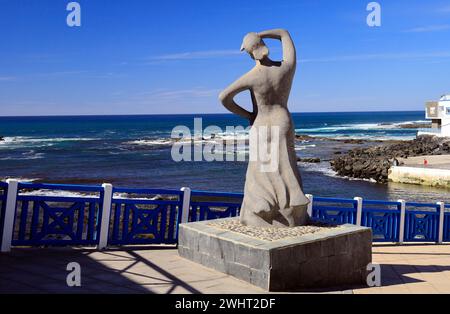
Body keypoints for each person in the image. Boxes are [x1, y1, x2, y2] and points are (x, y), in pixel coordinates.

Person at [219, 29, 310, 228]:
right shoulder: (286, 69)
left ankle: (262, 206)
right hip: (283, 121)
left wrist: (248, 115)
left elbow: (224, 97)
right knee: (286, 164)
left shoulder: (252, 76)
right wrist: (262, 34)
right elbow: (284, 34)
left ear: (250, 52)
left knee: (260, 169)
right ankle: (294, 201)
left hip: (261, 123)